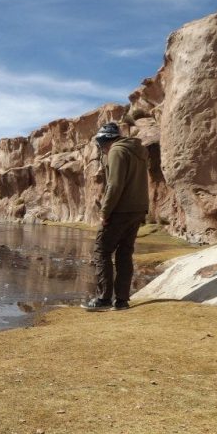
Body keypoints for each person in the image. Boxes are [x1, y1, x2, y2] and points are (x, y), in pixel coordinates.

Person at [82, 122, 149, 311]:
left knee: (101, 251)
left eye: (100, 144)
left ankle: (103, 299)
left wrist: (104, 212)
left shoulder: (116, 152)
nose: (100, 149)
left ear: (104, 140)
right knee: (124, 253)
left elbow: (115, 185)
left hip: (120, 210)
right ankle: (121, 301)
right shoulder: (136, 151)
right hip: (137, 209)